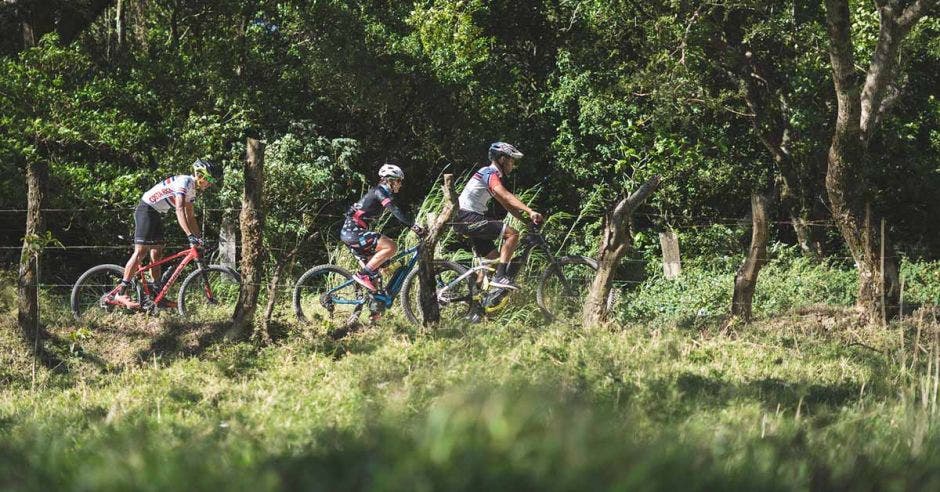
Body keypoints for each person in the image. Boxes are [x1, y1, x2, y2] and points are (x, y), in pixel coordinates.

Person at [113, 158, 222, 308]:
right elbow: (179, 209)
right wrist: (189, 235)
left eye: (212, 181)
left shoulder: (193, 191)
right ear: (200, 174)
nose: (210, 183)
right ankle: (121, 292)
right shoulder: (185, 182)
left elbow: (190, 216)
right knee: (141, 252)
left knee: (157, 253)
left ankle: (157, 294)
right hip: (146, 209)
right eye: (209, 179)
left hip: (156, 213)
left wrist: (199, 239)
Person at [453, 142, 543, 290]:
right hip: (467, 217)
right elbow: (506, 196)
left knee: (493, 261)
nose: (513, 165)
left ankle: (474, 300)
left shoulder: (492, 177)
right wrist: (530, 211)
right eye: (511, 160)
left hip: (466, 218)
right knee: (512, 234)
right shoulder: (488, 172)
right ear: (502, 159)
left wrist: (526, 221)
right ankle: (501, 278)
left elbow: (506, 204)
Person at [341, 162, 425, 292]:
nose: (400, 184)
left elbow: (396, 212)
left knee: (375, 282)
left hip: (353, 233)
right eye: (398, 181)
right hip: (353, 233)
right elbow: (395, 210)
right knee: (391, 246)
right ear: (389, 180)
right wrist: (414, 226)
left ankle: (374, 311)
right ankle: (363, 275)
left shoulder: (381, 193)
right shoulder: (379, 192)